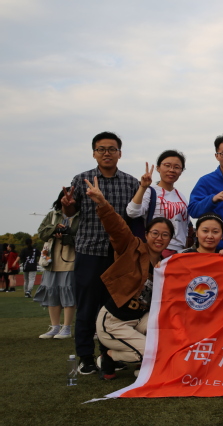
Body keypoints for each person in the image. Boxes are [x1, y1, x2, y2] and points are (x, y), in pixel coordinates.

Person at [61, 131, 139, 375]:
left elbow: (134, 216)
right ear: (94, 153)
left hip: (118, 256)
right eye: (101, 149)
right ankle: (85, 356)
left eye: (112, 149)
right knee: (87, 306)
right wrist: (67, 206)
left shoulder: (131, 182)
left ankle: (108, 355)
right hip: (89, 251)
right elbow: (71, 211)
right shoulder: (82, 179)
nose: (107, 153)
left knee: (114, 308)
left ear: (120, 153)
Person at [83, 176, 174, 380]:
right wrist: (102, 203)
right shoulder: (132, 248)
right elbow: (117, 227)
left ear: (170, 239)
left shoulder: (167, 265)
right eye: (155, 233)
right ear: (146, 234)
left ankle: (140, 362)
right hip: (114, 321)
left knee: (167, 333)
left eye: (165, 235)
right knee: (149, 352)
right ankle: (109, 357)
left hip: (139, 320)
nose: (159, 238)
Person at [127, 150, 191, 256]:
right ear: (158, 168)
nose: (171, 170)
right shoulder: (150, 191)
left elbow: (185, 227)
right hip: (156, 250)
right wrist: (143, 187)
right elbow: (132, 212)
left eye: (176, 167)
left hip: (179, 251)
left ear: (181, 171)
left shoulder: (182, 197)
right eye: (167, 165)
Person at [34, 188, 79, 339]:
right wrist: (54, 228)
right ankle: (55, 327)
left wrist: (67, 236)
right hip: (51, 261)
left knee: (68, 293)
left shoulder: (80, 216)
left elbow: (82, 238)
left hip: (70, 260)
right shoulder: (52, 215)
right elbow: (41, 233)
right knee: (52, 293)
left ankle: (67, 327)